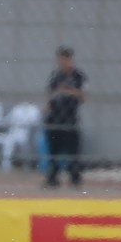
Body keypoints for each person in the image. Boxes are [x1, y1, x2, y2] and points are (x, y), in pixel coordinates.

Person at [43, 45, 87, 188]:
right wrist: (47, 108)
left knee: (72, 148)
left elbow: (83, 96)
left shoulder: (78, 76)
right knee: (54, 148)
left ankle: (74, 177)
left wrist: (69, 90)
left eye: (65, 59)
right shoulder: (56, 75)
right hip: (55, 116)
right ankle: (52, 177)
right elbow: (51, 94)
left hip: (70, 116)